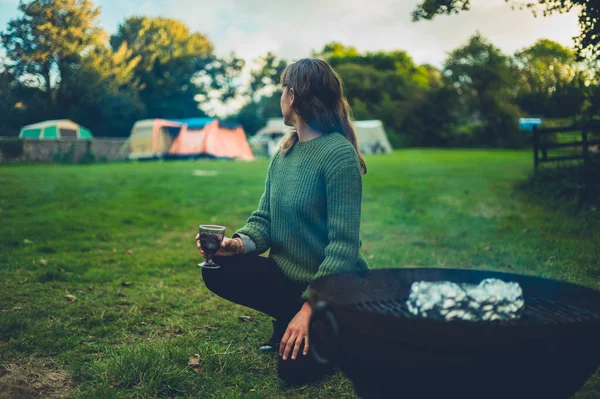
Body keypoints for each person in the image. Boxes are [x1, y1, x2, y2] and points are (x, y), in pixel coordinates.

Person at [195, 58, 369, 386]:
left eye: (281, 89)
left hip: (332, 287)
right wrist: (237, 244)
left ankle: (323, 324)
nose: (281, 96)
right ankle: (289, 316)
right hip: (288, 278)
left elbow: (343, 248)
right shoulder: (284, 154)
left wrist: (309, 309)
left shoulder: (338, 155)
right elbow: (264, 220)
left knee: (293, 373)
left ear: (292, 96)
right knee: (216, 269)